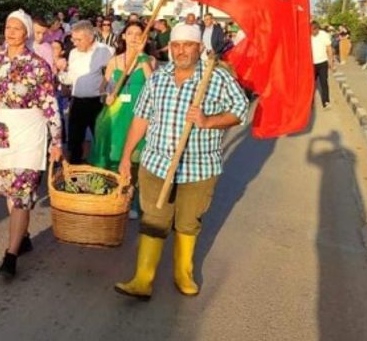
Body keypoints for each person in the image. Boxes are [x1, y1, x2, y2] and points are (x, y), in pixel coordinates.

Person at [114, 23, 248, 300]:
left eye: (188, 45)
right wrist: (127, 156)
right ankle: (142, 279)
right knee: (153, 220)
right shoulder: (158, 78)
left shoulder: (216, 78)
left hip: (199, 168)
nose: (181, 51)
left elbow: (240, 110)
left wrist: (208, 121)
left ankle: (183, 273)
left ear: (199, 48)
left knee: (188, 222)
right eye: (176, 45)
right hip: (156, 164)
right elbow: (141, 118)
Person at [0, 10, 62, 279]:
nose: (10, 32)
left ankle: (10, 255)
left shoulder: (37, 65)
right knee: (10, 191)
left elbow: (49, 104)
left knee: (21, 194)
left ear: (27, 33)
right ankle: (23, 236)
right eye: (7, 26)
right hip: (1, 132)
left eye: (17, 28)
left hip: (29, 132)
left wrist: (57, 140)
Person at [89, 21, 155, 220]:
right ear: (123, 36)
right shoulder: (115, 61)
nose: (134, 37)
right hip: (116, 114)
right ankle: (112, 195)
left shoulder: (149, 60)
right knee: (114, 155)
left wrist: (141, 56)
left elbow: (153, 85)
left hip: (138, 115)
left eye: (138, 34)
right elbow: (102, 87)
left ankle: (133, 200)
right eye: (130, 33)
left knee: (135, 158)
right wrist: (107, 94)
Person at [57, 20, 113, 164]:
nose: (74, 43)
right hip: (76, 102)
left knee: (100, 139)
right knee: (74, 141)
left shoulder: (105, 51)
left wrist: (109, 94)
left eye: (78, 39)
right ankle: (73, 174)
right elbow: (71, 79)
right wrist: (61, 71)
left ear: (90, 37)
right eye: (73, 39)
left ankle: (102, 171)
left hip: (97, 103)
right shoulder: (74, 53)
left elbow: (112, 78)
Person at [310, 21, 333, 109]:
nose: (312, 32)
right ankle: (310, 102)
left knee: (324, 82)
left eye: (314, 30)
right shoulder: (308, 35)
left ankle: (326, 102)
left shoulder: (324, 35)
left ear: (317, 29)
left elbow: (329, 48)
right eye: (311, 31)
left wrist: (331, 61)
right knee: (311, 84)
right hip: (311, 64)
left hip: (323, 63)